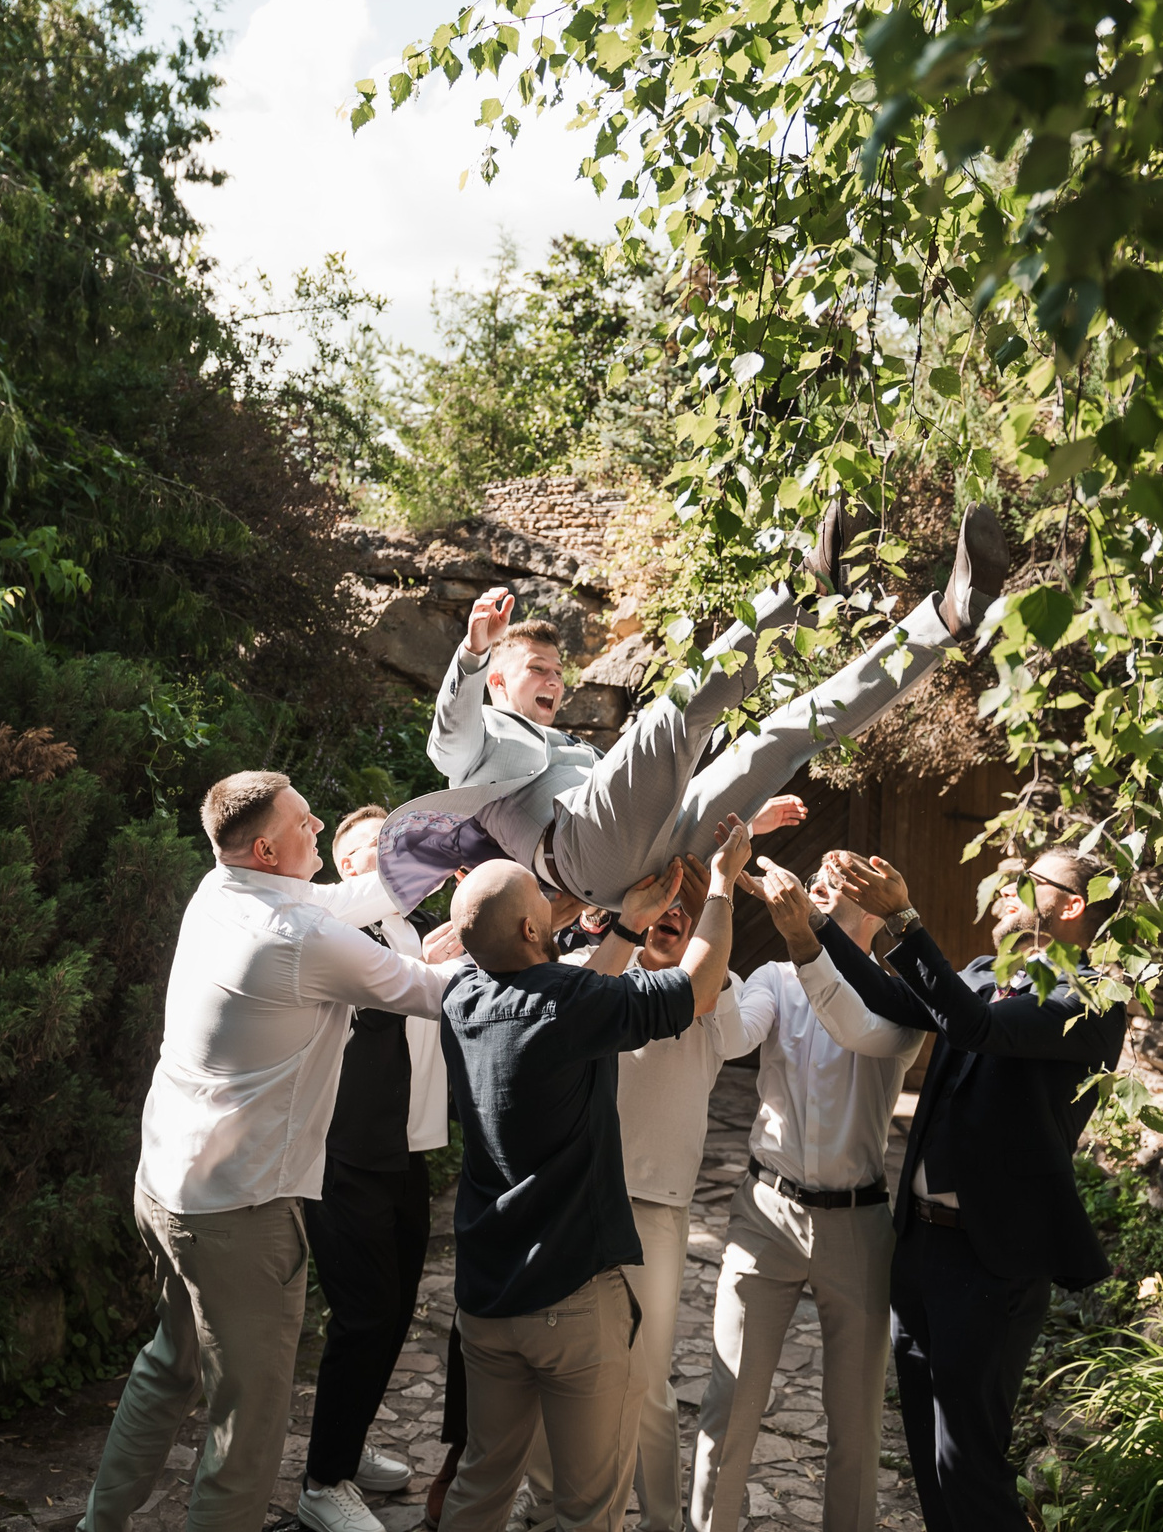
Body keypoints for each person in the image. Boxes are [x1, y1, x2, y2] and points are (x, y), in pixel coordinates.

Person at [82, 773, 461, 1532]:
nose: (318, 822)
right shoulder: (296, 939)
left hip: (166, 1184)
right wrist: (497, 934)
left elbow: (340, 902)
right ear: (266, 847)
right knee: (246, 1429)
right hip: (236, 1212)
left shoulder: (222, 890)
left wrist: (448, 847)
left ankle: (100, 1525)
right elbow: (432, 992)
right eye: (303, 821)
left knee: (170, 1364)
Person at [366, 505, 1012, 918]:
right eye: (537, 669)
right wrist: (473, 652)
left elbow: (645, 810)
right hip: (583, 855)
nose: (555, 683)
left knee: (779, 739)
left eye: (559, 673)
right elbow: (447, 737)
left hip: (643, 861)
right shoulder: (476, 748)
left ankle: (947, 619)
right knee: (669, 719)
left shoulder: (578, 753)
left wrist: (749, 823)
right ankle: (806, 587)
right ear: (497, 681)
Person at [437, 817, 756, 1532]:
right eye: (542, 903)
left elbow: (563, 985)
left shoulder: (461, 994)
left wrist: (621, 926)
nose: (555, 910)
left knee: (484, 1480)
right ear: (529, 929)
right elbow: (697, 986)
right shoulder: (566, 1005)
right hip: (570, 1300)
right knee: (590, 1503)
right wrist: (725, 885)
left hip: (486, 1301)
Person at [806, 845, 1129, 1532]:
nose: (1005, 889)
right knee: (928, 1458)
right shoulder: (986, 973)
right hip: (922, 1246)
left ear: (1073, 905)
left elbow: (975, 1028)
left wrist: (906, 918)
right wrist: (815, 922)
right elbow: (894, 995)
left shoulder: (1092, 1000)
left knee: (970, 1467)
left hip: (991, 1263)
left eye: (1027, 881)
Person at [689, 859, 929, 1532]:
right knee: (727, 1400)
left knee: (854, 1420)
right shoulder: (773, 978)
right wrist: (722, 911)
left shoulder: (900, 1001)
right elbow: (732, 1035)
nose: (819, 877)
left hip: (858, 1226)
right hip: (765, 1212)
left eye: (838, 878)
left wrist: (805, 936)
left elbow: (853, 1026)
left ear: (873, 909)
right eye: (817, 872)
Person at [522, 856, 757, 1532]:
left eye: (685, 915)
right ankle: (546, 1507)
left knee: (648, 1380)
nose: (670, 920)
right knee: (553, 1368)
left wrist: (713, 916)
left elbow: (734, 1033)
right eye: (662, 908)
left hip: (655, 1207)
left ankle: (659, 1519)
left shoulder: (712, 991)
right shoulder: (592, 975)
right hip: (572, 1198)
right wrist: (628, 930)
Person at [295, 806, 459, 1532]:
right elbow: (397, 989)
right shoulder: (339, 932)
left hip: (405, 1153)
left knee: (391, 1312)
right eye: (366, 847)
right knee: (363, 1315)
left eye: (391, 842)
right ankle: (322, 1480)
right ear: (345, 869)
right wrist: (441, 960)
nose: (386, 856)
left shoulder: (413, 933)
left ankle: (347, 1446)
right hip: (345, 1155)